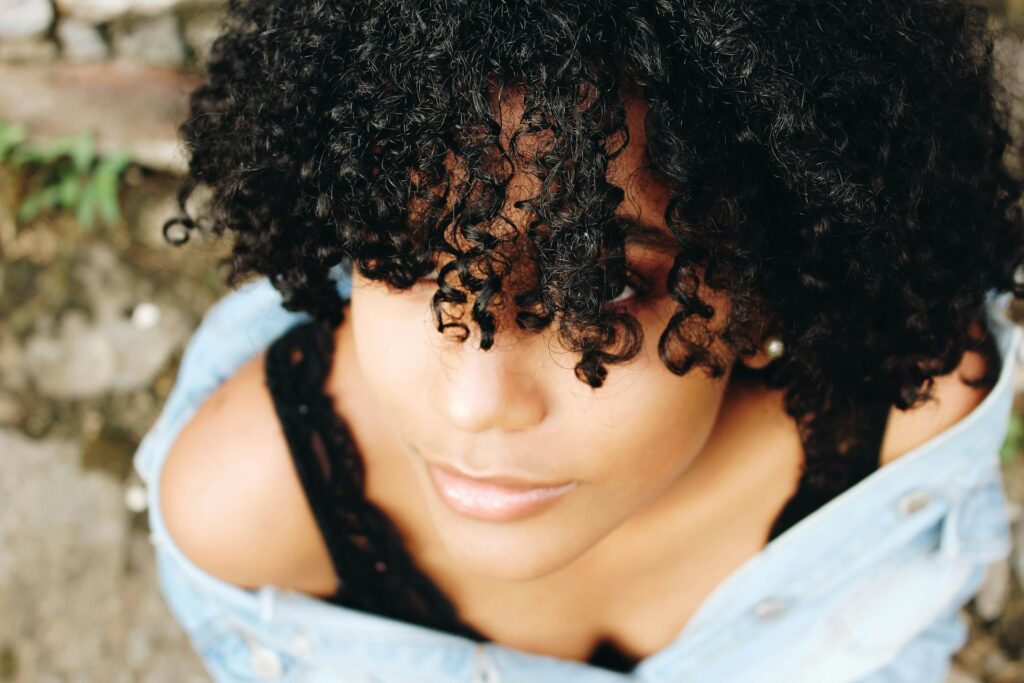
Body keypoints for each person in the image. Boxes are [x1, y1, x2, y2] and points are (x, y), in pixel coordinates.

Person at [134, 0, 1024, 680]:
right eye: (400, 259)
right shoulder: (254, 516)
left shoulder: (908, 431)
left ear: (771, 290)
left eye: (598, 287)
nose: (473, 400)